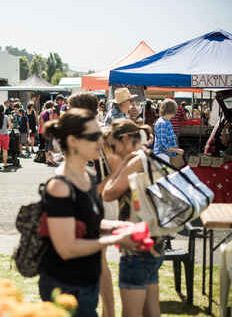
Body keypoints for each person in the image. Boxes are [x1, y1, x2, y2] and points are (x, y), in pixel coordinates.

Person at [39, 108, 137, 317]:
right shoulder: (60, 186)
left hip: (86, 281)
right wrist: (115, 239)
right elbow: (67, 247)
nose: (100, 142)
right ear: (73, 141)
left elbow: (86, 222)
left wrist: (118, 226)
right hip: (65, 287)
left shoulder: (86, 177)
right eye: (93, 137)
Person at [101, 119, 162, 317]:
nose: (113, 150)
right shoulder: (150, 157)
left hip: (136, 244)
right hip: (155, 241)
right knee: (152, 309)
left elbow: (108, 194)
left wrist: (118, 165)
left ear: (126, 139)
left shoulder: (135, 161)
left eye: (113, 145)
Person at [153, 99, 184, 163]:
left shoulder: (165, 122)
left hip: (166, 156)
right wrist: (176, 150)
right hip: (163, 157)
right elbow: (162, 144)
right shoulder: (162, 123)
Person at [0, 105, 12, 170]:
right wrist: (6, 129)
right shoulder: (6, 117)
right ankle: (5, 164)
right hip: (5, 135)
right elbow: (10, 126)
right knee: (5, 150)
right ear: (3, 110)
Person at [39, 101, 57, 166]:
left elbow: (40, 122)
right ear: (51, 106)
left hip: (43, 130)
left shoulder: (42, 112)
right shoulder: (50, 111)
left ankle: (47, 160)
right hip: (49, 130)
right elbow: (51, 120)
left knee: (46, 145)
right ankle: (51, 160)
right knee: (50, 146)